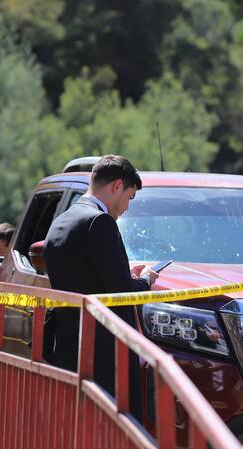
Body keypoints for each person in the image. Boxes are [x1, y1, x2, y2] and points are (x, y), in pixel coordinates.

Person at [43, 154, 158, 420]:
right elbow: (119, 290)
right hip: (103, 351)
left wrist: (123, 275)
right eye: (130, 198)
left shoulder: (62, 219)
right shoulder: (100, 222)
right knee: (109, 428)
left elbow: (88, 276)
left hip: (68, 344)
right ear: (117, 186)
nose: (127, 207)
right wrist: (147, 281)